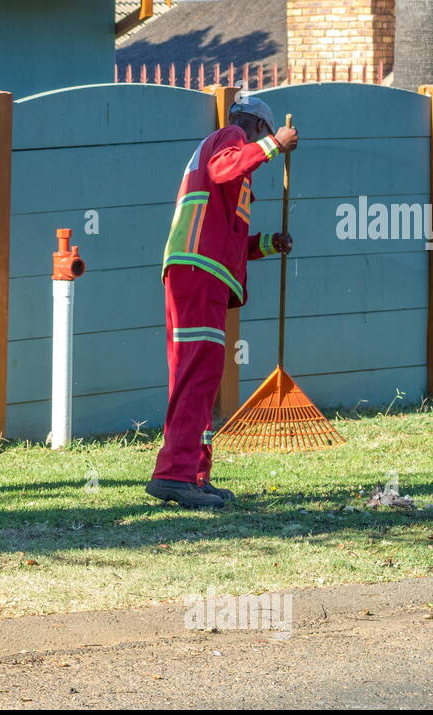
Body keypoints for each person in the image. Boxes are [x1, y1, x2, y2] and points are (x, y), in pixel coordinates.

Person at [145, 96, 298, 509]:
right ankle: (174, 475)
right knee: (197, 373)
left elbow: (228, 238)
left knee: (202, 375)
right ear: (258, 127)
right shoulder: (229, 138)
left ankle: (193, 473)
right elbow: (226, 165)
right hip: (197, 272)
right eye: (264, 137)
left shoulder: (228, 167)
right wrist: (274, 147)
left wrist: (267, 244)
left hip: (200, 272)